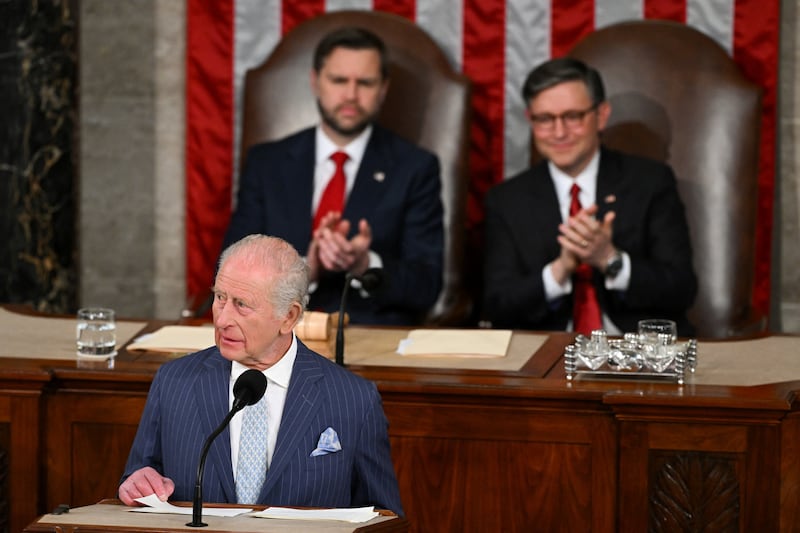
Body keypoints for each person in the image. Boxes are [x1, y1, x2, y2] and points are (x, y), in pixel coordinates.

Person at [118, 234, 403, 514]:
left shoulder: (354, 400)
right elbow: (139, 477)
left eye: (241, 304)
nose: (223, 319)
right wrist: (137, 485)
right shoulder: (173, 383)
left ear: (289, 317)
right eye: (220, 297)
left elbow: (382, 518)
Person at [222, 26, 444, 326]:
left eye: (365, 82)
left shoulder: (415, 167)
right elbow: (232, 271)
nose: (351, 95)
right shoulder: (267, 163)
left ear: (383, 89)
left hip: (368, 333)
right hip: (274, 332)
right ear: (315, 81)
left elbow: (426, 284)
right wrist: (305, 270)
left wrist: (365, 265)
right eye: (339, 80)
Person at [483, 57, 697, 336]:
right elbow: (496, 306)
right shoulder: (507, 199)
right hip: (547, 359)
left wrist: (609, 259)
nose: (559, 133)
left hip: (635, 353)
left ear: (601, 115)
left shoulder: (650, 182)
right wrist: (558, 272)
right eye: (545, 119)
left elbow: (681, 290)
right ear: (530, 120)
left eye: (572, 117)